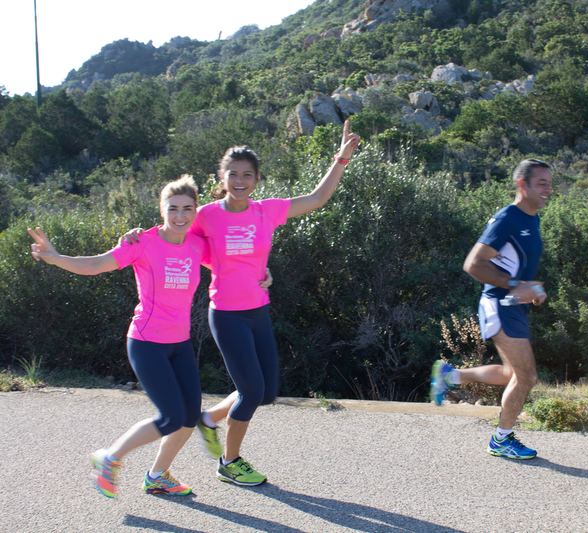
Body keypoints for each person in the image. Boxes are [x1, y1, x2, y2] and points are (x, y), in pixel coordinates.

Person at [123, 120, 361, 486]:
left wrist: (341, 160)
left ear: (256, 179)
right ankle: (229, 462)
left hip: (258, 309)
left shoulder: (266, 210)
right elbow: (176, 232)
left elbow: (316, 198)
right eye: (232, 174)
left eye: (246, 175)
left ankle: (208, 420)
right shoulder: (206, 215)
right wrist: (136, 236)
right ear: (222, 177)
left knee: (266, 392)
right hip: (227, 313)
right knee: (250, 393)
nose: (239, 180)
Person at [28, 176, 223, 498]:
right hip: (147, 343)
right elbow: (97, 264)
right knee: (172, 416)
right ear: (161, 210)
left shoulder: (196, 244)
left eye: (187, 209)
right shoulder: (142, 242)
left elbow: (229, 265)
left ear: (195, 211)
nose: (180, 216)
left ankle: (158, 476)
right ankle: (111, 457)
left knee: (189, 416)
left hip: (180, 343)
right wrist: (56, 257)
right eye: (172, 208)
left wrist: (262, 273)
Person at [430, 158, 552, 460]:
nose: (548, 189)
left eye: (550, 183)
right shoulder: (507, 219)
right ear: (522, 185)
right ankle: (501, 439)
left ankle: (450, 376)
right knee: (527, 377)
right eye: (541, 183)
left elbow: (514, 265)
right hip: (500, 304)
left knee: (513, 372)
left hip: (514, 305)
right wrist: (515, 285)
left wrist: (531, 289)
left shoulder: (531, 217)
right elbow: (473, 264)